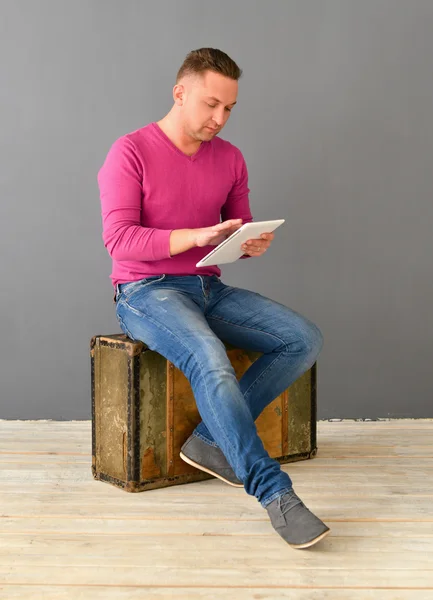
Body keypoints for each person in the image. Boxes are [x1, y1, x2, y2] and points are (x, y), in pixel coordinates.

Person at [97, 47, 329, 549]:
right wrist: (195, 236)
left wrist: (248, 245)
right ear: (180, 93)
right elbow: (120, 240)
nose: (219, 119)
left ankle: (209, 441)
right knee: (209, 356)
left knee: (302, 338)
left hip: (207, 287)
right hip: (144, 291)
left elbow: (231, 233)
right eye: (210, 104)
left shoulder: (230, 159)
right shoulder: (130, 151)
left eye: (229, 108)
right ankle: (275, 493)